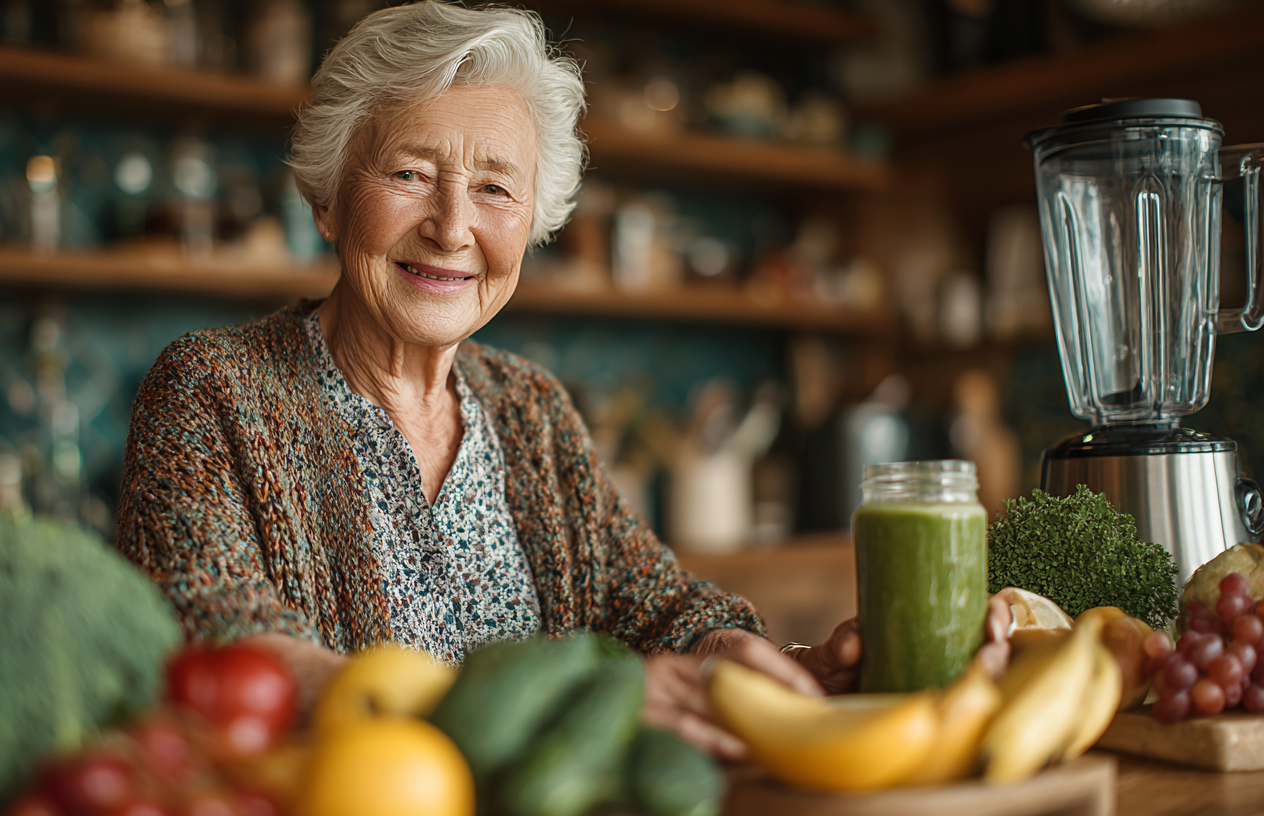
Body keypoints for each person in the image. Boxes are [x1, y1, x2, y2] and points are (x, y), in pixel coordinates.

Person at [117, 0, 1010, 760]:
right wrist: (557, 712)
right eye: (409, 173)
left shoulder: (533, 409)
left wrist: (753, 659)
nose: (452, 225)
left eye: (497, 190)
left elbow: (652, 600)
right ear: (327, 199)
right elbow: (231, 648)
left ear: (533, 225)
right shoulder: (214, 388)